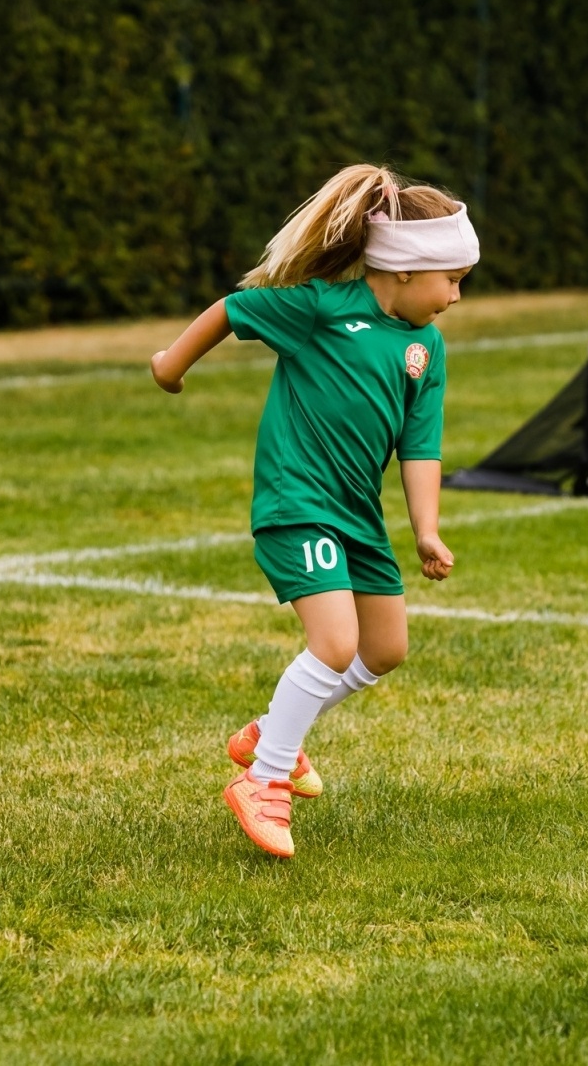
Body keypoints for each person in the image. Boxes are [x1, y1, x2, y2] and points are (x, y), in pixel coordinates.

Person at [150, 164, 477, 858]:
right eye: (451, 278)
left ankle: (272, 732)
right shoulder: (324, 308)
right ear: (404, 268)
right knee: (333, 643)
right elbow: (233, 309)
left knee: (384, 649)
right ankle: (264, 780)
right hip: (298, 503)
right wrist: (170, 364)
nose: (456, 294)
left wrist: (426, 529)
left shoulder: (426, 346)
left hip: (358, 516)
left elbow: (420, 445)